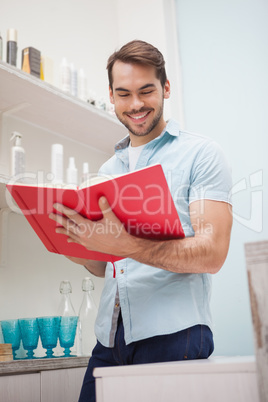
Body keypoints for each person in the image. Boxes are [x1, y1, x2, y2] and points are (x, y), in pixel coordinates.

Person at [49, 40, 233, 402]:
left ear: (165, 88)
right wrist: (69, 243)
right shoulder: (107, 170)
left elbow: (212, 253)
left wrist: (126, 245)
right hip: (109, 340)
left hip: (174, 337)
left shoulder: (201, 154)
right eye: (124, 94)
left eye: (146, 90)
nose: (135, 104)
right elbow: (105, 266)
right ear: (111, 96)